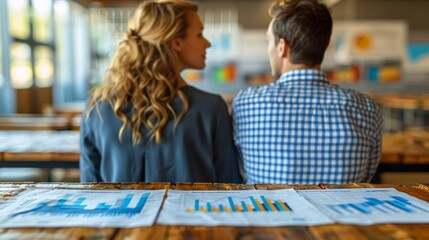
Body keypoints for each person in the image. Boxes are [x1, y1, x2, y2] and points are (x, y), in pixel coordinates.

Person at [80, 0, 241, 183]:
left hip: (118, 211)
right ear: (177, 42)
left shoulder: (98, 107)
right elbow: (230, 186)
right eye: (199, 34)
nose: (208, 43)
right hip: (191, 212)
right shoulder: (211, 109)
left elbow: (90, 189)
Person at [232, 0, 383, 184]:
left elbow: (242, 171)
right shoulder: (366, 108)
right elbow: (366, 177)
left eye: (268, 42)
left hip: (271, 211)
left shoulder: (246, 104)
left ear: (282, 47)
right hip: (341, 212)